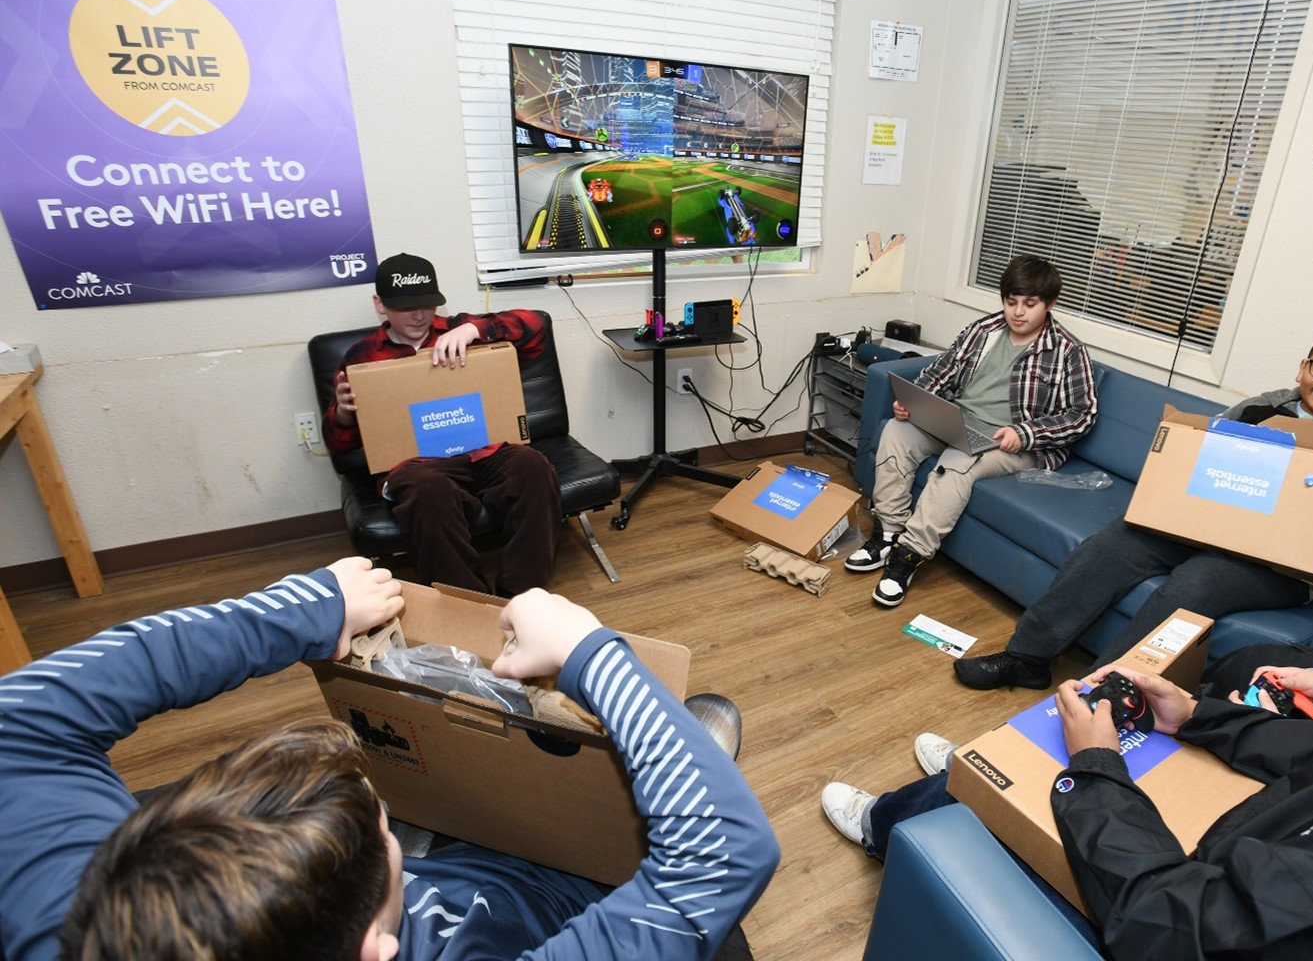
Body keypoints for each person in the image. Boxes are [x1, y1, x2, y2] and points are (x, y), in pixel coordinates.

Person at [0, 557, 778, 961]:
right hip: (540, 901)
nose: (383, 824)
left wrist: (316, 606)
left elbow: (17, 718)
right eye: (381, 839)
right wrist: (588, 653)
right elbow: (723, 856)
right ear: (376, 947)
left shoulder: (64, 916)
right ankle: (665, 765)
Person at [824, 562, 1313, 957]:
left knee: (1033, 784)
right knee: (1050, 760)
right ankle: (972, 773)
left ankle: (906, 813)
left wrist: (1096, 767)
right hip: (1240, 851)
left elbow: (1163, 919)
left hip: (1164, 914)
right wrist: (1195, 715)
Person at [954, 320, 1313, 691]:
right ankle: (1026, 658)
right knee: (1110, 545)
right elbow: (1197, 456)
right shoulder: (1260, 409)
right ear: (1302, 368)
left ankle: (1103, 694)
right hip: (1205, 531)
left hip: (1280, 568)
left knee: (1196, 583)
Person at [845, 254, 1097, 607]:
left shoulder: (1068, 351)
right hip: (959, 420)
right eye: (1011, 302)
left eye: (1030, 304)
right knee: (895, 432)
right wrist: (914, 402)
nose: (1018, 313)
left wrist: (1024, 433)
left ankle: (909, 555)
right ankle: (888, 532)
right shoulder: (984, 330)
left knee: (958, 462)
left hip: (1014, 443)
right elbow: (940, 372)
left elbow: (1082, 415)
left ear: (1050, 304)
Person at [322, 252, 562, 597]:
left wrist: (476, 328)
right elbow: (339, 445)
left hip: (484, 451)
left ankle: (524, 597)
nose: (419, 315)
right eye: (406, 306)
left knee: (533, 467)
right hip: (418, 466)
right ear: (380, 304)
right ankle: (467, 605)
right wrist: (344, 413)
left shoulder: (460, 330)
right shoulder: (361, 358)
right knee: (428, 491)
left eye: (427, 304)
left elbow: (535, 325)